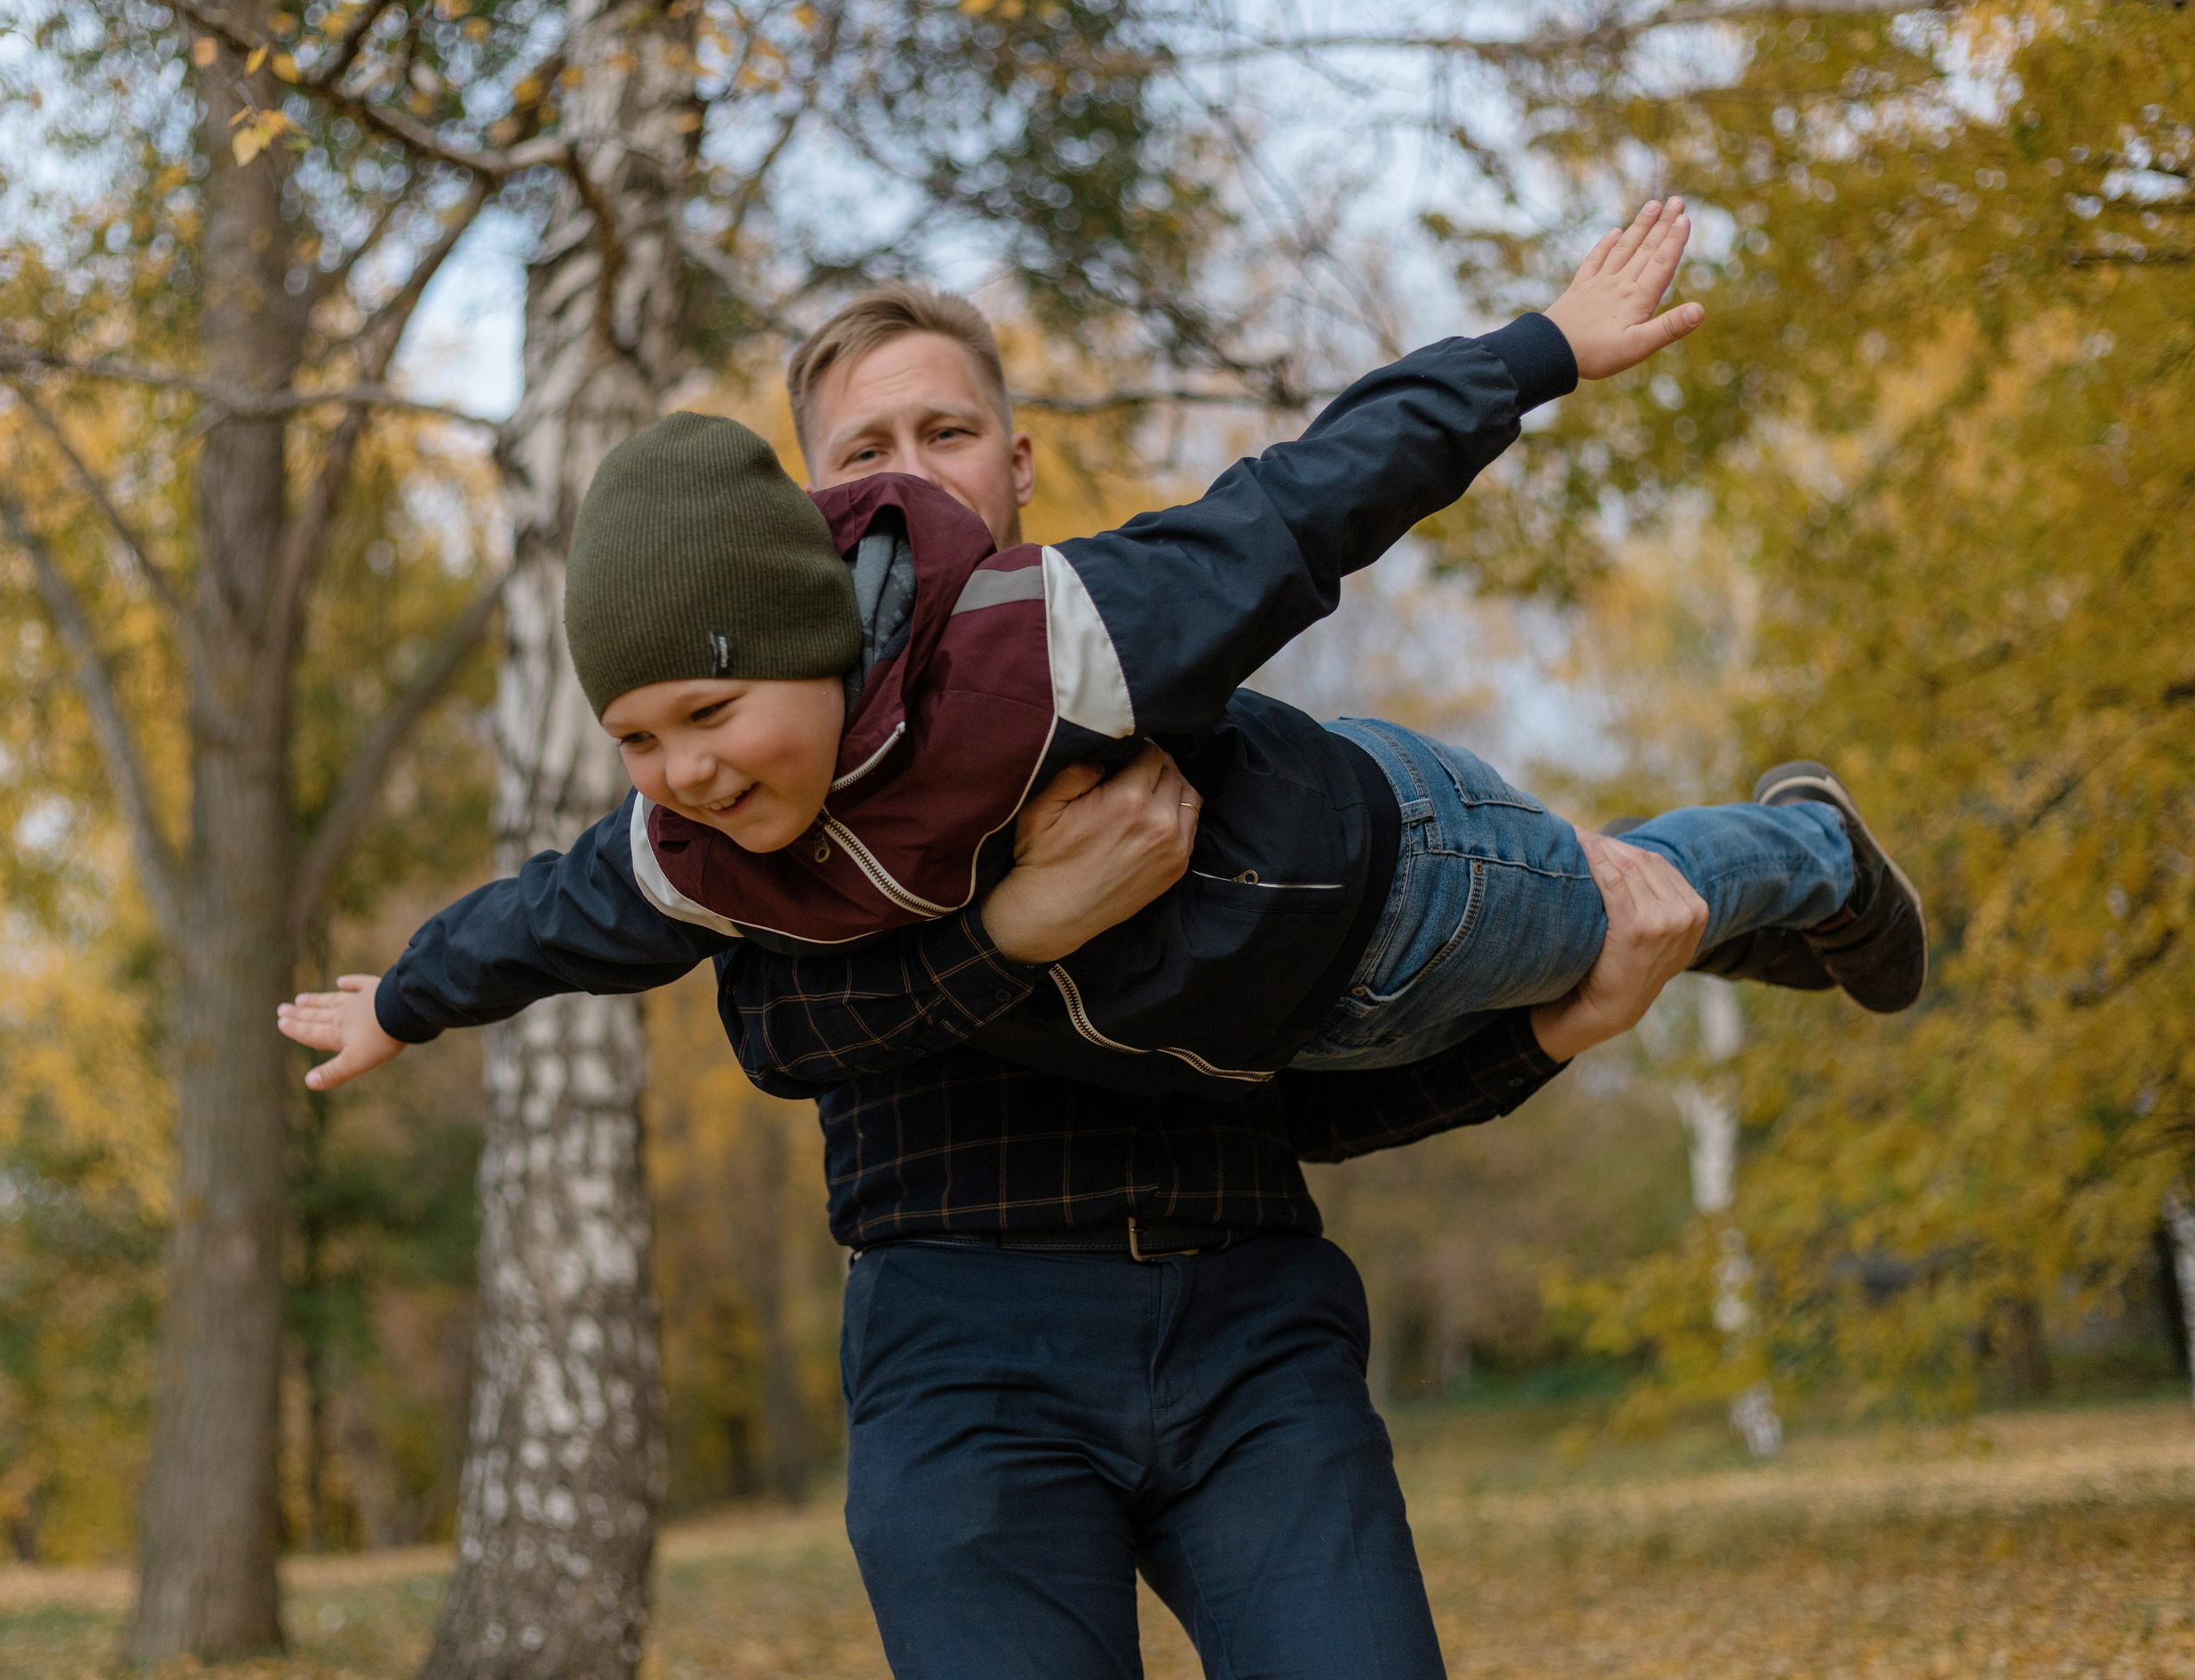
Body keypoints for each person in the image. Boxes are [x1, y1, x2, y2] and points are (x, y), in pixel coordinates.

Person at [274, 234, 1742, 1676]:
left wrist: (1549, 1037)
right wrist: (1013, 932)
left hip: (1251, 1324)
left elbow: (1308, 512)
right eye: (861, 451)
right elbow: (778, 1031)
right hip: (964, 1359)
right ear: (804, 530)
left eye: (945, 430)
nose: (905, 471)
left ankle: (1785, 871)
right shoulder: (762, 813)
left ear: (1018, 462)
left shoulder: (1102, 658)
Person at [278, 199, 1923, 1109]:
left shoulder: (1050, 644)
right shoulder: (703, 841)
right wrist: (413, 1000)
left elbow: (1302, 508)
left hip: (1400, 890)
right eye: (640, 740)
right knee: (1644, 939)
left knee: (1636, 897)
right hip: (1286, 1038)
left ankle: (1810, 852)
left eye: (705, 714)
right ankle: (1764, 911)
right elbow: (566, 916)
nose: (685, 770)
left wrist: (1536, 352)